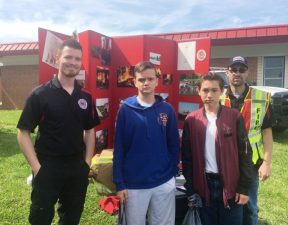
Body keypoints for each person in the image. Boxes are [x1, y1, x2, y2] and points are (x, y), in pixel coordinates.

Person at [17, 39, 100, 225]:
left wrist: (86, 163)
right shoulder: (40, 94)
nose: (73, 62)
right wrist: (37, 168)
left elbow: (89, 130)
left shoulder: (85, 97)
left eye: (77, 59)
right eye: (68, 57)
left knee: (71, 217)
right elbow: (23, 133)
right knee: (40, 217)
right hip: (48, 166)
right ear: (57, 59)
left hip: (76, 167)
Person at [181, 72, 254, 225]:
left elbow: (245, 154)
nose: (209, 94)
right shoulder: (191, 119)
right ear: (198, 91)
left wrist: (244, 188)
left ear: (221, 92)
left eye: (214, 90)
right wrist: (191, 190)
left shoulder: (234, 117)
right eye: (205, 90)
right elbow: (187, 158)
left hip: (231, 188)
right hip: (204, 186)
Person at [113, 61, 180, 225]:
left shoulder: (167, 109)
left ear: (157, 81)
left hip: (163, 181)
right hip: (134, 184)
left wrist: (171, 173)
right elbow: (119, 148)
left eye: (150, 79)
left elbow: (174, 144)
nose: (146, 83)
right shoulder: (125, 110)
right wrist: (119, 183)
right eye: (142, 79)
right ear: (134, 81)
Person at [223, 56, 273, 225]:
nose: (237, 73)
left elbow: (266, 132)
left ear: (247, 72)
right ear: (227, 72)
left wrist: (267, 162)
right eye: (233, 69)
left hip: (251, 162)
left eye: (241, 69)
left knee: (250, 206)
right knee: (227, 203)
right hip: (225, 160)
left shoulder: (262, 97)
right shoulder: (218, 96)